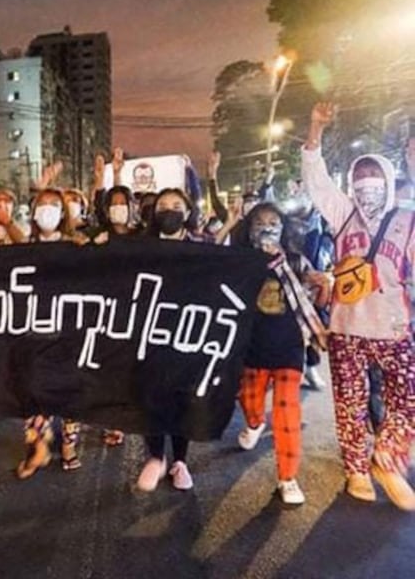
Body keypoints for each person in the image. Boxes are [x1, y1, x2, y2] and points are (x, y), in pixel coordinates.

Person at [302, 102, 415, 511]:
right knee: (349, 404)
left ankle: (388, 462)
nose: (367, 181)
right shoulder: (342, 214)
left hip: (394, 329)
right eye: (360, 175)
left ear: (388, 179)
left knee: (407, 401)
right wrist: (315, 130)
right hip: (347, 329)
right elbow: (315, 181)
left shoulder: (407, 220)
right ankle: (356, 470)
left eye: (373, 174)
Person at [136, 188, 240, 492]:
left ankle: (179, 461)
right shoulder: (141, 247)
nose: (169, 210)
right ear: (153, 212)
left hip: (189, 333)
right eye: (163, 205)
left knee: (183, 398)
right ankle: (156, 457)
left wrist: (230, 225)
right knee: (152, 396)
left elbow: (218, 258)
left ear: (187, 211)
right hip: (150, 332)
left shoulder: (199, 243)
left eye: (176, 205)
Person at [235, 202, 329, 505]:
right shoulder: (240, 261)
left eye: (274, 221)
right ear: (249, 228)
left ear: (283, 226)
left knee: (287, 413)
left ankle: (288, 478)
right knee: (249, 402)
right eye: (259, 221)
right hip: (251, 348)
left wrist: (323, 284)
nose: (267, 227)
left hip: (289, 347)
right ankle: (253, 423)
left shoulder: (296, 261)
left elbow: (317, 298)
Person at [16, 188, 87, 479]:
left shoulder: (77, 246)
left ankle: (68, 447)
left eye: (54, 205)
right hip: (32, 332)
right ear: (33, 212)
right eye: (41, 204)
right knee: (32, 389)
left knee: (70, 392)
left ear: (64, 212)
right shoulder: (23, 245)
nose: (47, 210)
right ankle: (38, 445)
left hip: (69, 331)